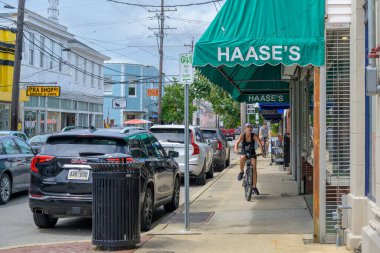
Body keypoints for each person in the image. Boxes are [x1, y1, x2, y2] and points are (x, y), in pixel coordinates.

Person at [234, 123, 263, 195]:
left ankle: (254, 186)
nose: (249, 129)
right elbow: (236, 143)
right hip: (244, 152)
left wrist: (261, 151)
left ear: (252, 129)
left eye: (250, 127)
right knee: (242, 157)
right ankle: (241, 172)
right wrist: (235, 149)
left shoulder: (254, 135)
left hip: (252, 152)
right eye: (248, 127)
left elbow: (259, 143)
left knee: (254, 169)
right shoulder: (242, 135)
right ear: (245, 129)